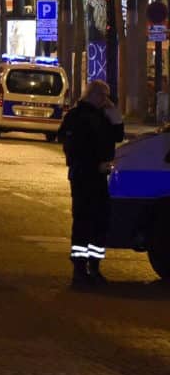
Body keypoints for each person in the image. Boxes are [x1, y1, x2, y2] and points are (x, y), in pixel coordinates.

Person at [57, 79, 124, 287]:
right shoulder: (77, 117)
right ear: (95, 95)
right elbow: (73, 146)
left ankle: (94, 267)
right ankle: (80, 269)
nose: (107, 100)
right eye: (104, 96)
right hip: (84, 176)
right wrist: (95, 164)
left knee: (100, 221)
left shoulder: (100, 116)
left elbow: (118, 135)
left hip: (97, 177)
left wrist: (115, 115)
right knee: (84, 221)